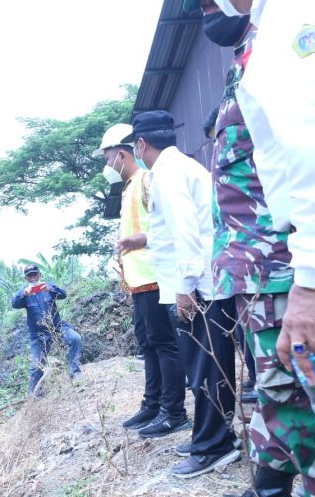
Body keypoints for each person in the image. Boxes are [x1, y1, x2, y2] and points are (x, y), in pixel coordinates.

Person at [184, 0, 315, 495]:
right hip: (258, 273)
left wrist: (314, 280)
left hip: (287, 269)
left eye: (208, 1)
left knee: (300, 403)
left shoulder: (295, 20)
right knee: (277, 394)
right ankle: (271, 482)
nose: (211, 11)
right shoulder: (249, 55)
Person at [119, 110, 240, 478]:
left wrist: (186, 288)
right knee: (203, 367)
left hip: (198, 288)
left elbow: (186, 230)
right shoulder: (179, 167)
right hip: (200, 283)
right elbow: (171, 232)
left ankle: (213, 446)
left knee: (205, 369)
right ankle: (217, 436)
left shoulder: (168, 174)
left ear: (140, 144)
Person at [97, 124, 188, 438]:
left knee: (164, 345)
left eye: (108, 159)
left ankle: (173, 411)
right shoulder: (129, 187)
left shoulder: (147, 180)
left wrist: (142, 239)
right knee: (149, 345)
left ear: (121, 154)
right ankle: (153, 404)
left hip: (154, 277)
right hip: (139, 281)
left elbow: (171, 223)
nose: (107, 166)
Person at [11, 264, 82, 394]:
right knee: (36, 365)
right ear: (26, 278)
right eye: (30, 275)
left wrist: (50, 289)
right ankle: (35, 394)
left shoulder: (48, 287)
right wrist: (24, 294)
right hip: (39, 335)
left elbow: (63, 294)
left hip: (57, 327)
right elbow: (14, 304)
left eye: (35, 274)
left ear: (40, 275)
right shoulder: (24, 293)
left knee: (75, 338)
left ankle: (75, 373)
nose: (33, 278)